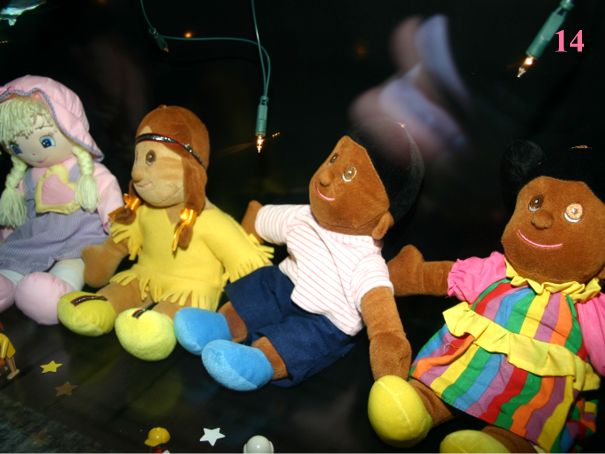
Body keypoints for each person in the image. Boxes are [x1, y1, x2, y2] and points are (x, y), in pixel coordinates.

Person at [0, 75, 123, 324]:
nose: (34, 152)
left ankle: (55, 292)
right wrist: (6, 238)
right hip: (36, 239)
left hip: (79, 242)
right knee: (15, 258)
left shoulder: (90, 173)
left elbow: (111, 204)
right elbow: (15, 216)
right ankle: (8, 283)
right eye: (17, 147)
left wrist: (118, 234)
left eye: (45, 141)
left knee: (68, 270)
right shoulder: (27, 178)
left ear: (71, 130)